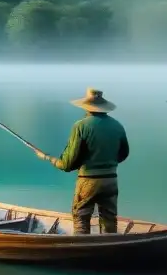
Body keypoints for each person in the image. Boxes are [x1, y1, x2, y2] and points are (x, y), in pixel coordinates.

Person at [34, 88, 129, 235]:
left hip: (87, 182)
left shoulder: (80, 126)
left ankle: (82, 251)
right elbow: (123, 154)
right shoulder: (117, 126)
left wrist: (48, 158)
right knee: (109, 220)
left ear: (86, 106)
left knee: (81, 219)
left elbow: (67, 164)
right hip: (111, 180)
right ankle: (109, 252)